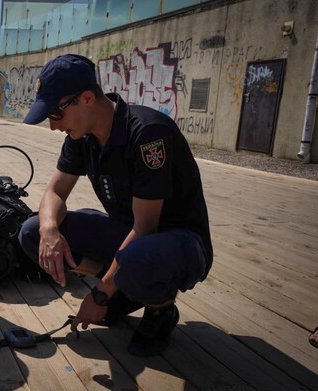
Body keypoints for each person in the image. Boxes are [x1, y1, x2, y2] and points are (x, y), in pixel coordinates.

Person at [18, 54, 213, 357]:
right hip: (131, 240)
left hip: (178, 245)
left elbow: (145, 228)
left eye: (56, 113)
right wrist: (49, 230)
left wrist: (99, 293)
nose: (54, 126)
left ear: (86, 99)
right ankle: (121, 292)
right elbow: (54, 191)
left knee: (136, 256)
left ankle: (159, 310)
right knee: (32, 231)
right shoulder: (81, 136)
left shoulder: (147, 134)